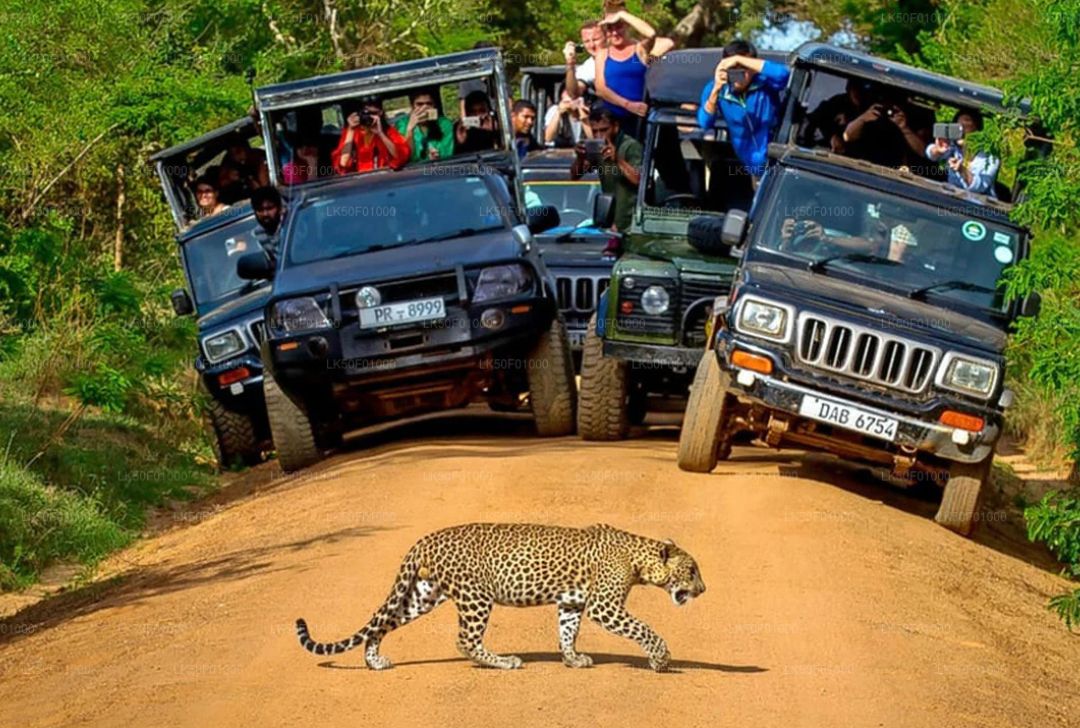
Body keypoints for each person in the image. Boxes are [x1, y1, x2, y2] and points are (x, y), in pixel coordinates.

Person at [697, 40, 790, 178]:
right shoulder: (716, 89)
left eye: (744, 68)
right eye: (733, 68)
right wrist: (716, 89)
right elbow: (704, 123)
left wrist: (739, 59)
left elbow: (784, 74)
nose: (739, 74)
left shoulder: (765, 83)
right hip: (746, 164)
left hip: (776, 160)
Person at [594, 8, 672, 134]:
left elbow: (651, 34)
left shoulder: (640, 49)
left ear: (627, 26)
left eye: (619, 27)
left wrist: (622, 14)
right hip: (614, 121)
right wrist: (627, 105)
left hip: (640, 119)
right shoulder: (602, 54)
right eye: (610, 29)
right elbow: (600, 89)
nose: (615, 33)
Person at [570, 107, 642, 234]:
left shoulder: (631, 146)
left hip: (630, 222)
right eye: (595, 131)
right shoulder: (598, 148)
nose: (599, 135)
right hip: (609, 220)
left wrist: (618, 160)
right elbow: (575, 176)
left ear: (615, 127)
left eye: (604, 130)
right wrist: (580, 158)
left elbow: (638, 180)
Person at [842, 91, 931, 169]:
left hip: (897, 170)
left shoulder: (914, 115)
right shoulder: (864, 107)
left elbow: (924, 152)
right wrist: (864, 118)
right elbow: (847, 136)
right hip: (864, 166)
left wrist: (904, 128)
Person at [925, 109, 1000, 197]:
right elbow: (930, 154)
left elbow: (980, 187)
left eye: (966, 123)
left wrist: (962, 170)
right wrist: (938, 149)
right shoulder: (953, 148)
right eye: (958, 126)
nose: (961, 129)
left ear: (977, 130)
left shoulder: (990, 158)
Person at [331, 97, 410, 174]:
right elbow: (343, 164)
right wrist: (351, 130)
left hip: (383, 176)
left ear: (380, 113)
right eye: (365, 114)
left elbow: (401, 156)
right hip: (358, 178)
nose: (369, 117)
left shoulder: (388, 132)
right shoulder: (351, 132)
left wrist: (381, 134)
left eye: (373, 114)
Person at [798, 78, 873, 154]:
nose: (859, 94)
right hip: (825, 153)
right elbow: (811, 123)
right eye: (856, 88)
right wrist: (831, 136)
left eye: (863, 91)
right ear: (849, 88)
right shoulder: (837, 103)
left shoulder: (873, 110)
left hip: (857, 157)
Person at [394, 89, 455, 163]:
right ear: (412, 106)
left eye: (429, 104)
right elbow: (404, 157)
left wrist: (437, 157)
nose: (424, 108)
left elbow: (447, 154)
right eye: (419, 104)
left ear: (434, 106)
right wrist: (410, 129)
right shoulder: (402, 125)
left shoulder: (444, 123)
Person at [563, 20, 606, 98]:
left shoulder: (623, 54)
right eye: (587, 41)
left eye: (596, 39)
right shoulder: (588, 67)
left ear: (606, 38)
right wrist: (570, 64)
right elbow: (574, 94)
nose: (592, 45)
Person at [250, 186, 286, 264]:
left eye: (269, 208)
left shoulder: (291, 225)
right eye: (260, 210)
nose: (265, 214)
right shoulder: (257, 234)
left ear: (279, 208)